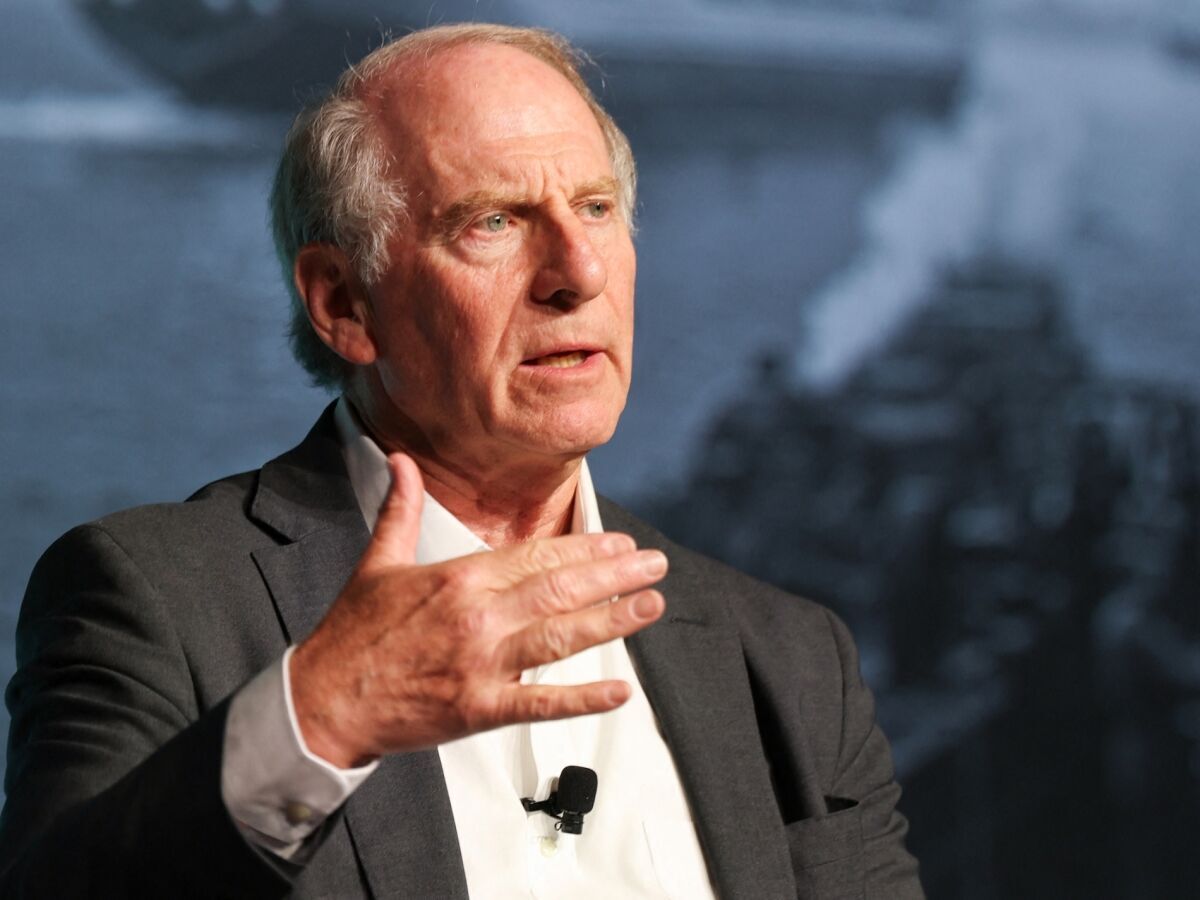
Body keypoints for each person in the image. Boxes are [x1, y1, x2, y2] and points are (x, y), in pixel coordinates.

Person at [0, 23, 921, 899]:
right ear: (343, 304)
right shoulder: (153, 601)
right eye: (494, 222)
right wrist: (322, 716)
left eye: (596, 209)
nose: (580, 273)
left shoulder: (792, 662)